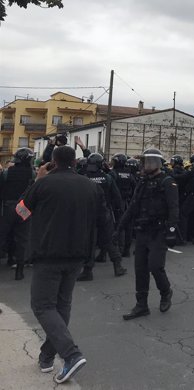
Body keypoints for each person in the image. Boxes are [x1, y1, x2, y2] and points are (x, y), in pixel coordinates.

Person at [17, 145, 103, 384]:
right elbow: (101, 218)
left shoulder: (43, 184)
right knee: (61, 306)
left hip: (48, 254)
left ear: (53, 161)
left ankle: (71, 354)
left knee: (43, 306)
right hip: (77, 255)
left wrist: (36, 181)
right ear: (75, 162)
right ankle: (46, 357)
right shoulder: (90, 185)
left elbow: (21, 211)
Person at [116, 148, 179, 320]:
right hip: (142, 231)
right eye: (144, 162)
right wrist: (119, 228)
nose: (145, 165)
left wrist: (172, 231)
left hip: (159, 231)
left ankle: (165, 292)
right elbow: (133, 206)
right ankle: (141, 305)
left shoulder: (167, 182)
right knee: (140, 269)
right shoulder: (142, 182)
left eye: (149, 162)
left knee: (155, 266)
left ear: (156, 163)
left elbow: (174, 209)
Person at [0, 147, 35, 280]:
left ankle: (8, 258)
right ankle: (19, 270)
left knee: (3, 235)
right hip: (24, 208)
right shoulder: (32, 174)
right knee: (22, 238)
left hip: (8, 207)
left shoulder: (7, 173)